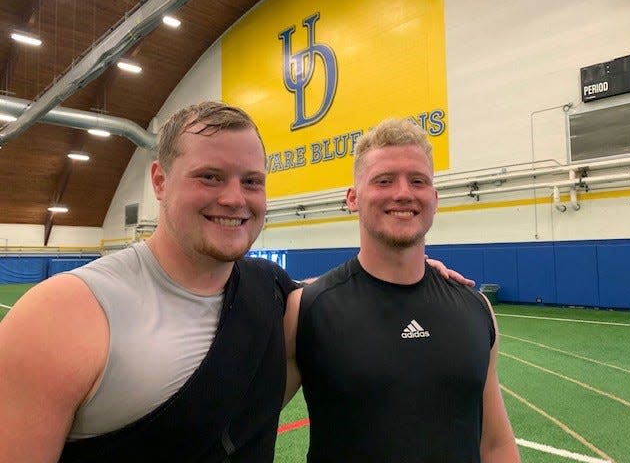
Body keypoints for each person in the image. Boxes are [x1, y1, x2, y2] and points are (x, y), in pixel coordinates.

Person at [0, 101, 470, 463]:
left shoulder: (272, 293)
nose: (234, 198)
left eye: (251, 182)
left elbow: (357, 287)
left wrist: (421, 272)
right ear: (160, 181)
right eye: (209, 176)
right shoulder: (62, 315)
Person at [284, 118, 520, 462]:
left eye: (418, 181)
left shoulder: (476, 309)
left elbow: (496, 444)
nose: (403, 193)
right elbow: (241, 425)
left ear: (435, 198)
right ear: (353, 198)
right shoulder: (307, 310)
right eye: (384, 180)